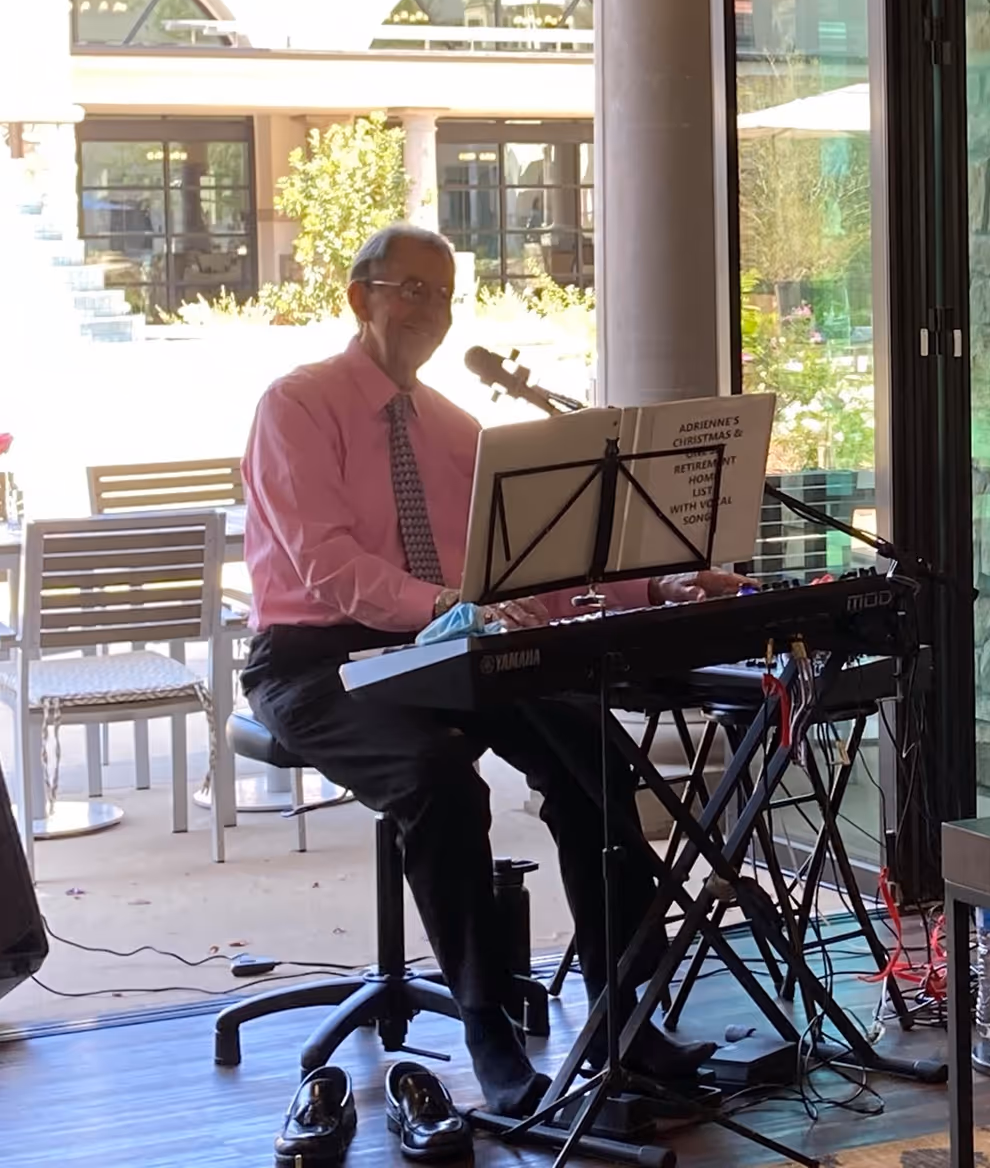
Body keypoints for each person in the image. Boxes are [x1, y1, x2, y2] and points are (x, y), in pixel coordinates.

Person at [239, 223, 750, 1114]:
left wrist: (662, 583)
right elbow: (324, 562)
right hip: (312, 658)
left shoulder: (456, 430)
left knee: (592, 751)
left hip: (445, 643)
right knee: (439, 778)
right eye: (411, 290)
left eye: (443, 294)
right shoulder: (297, 405)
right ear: (360, 296)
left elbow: (534, 573)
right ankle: (489, 1031)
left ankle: (624, 1014)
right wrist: (444, 609)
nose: (429, 312)